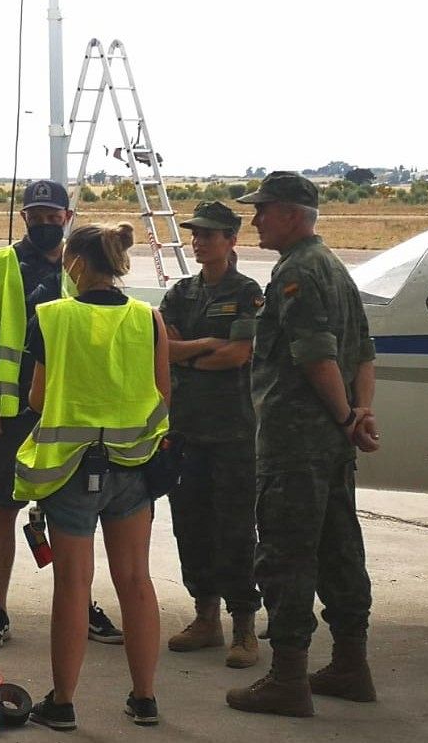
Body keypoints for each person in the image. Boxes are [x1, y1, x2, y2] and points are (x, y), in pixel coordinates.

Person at [227, 171, 380, 718]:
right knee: (340, 548)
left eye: (263, 210)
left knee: (286, 555)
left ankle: (288, 678)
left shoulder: (296, 272)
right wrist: (359, 414)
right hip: (331, 445)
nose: (255, 220)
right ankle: (350, 665)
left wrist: (343, 416)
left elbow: (316, 356)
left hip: (296, 443)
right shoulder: (334, 267)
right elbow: (364, 352)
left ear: (291, 215)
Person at [14, 223, 170, 731]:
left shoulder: (52, 317)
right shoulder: (147, 318)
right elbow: (162, 394)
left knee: (72, 585)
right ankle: (144, 698)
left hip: (70, 470)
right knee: (136, 580)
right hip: (132, 468)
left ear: (77, 262)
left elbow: (38, 398)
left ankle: (62, 703)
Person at [0, 179, 123, 650]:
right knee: (3, 507)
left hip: (71, 410)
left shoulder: (84, 264)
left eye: (52, 217)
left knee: (74, 514)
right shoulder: (1, 266)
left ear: (67, 217)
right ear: (23, 218)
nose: (43, 224)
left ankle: (81, 603)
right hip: (14, 410)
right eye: (34, 217)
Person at [159, 201, 264, 668]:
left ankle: (243, 624)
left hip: (232, 431)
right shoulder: (181, 292)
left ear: (231, 241)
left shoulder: (246, 292)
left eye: (209, 234)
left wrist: (187, 356)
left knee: (235, 528)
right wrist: (204, 346)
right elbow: (163, 351)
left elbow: (238, 354)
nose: (199, 241)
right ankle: (205, 617)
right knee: (190, 524)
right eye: (196, 233)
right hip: (186, 428)